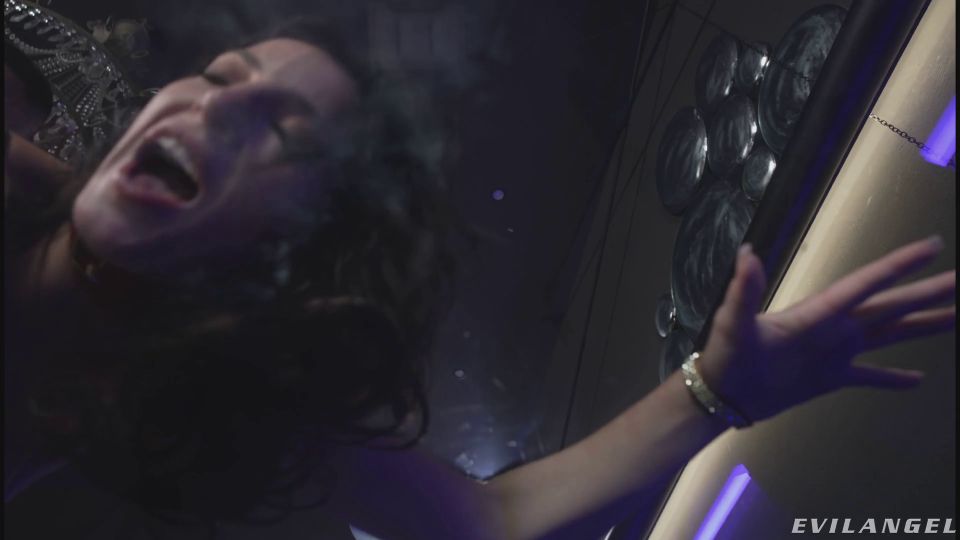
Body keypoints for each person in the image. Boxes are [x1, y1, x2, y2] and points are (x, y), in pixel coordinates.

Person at [4, 16, 956, 540]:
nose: (221, 107)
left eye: (285, 134)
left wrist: (717, 392)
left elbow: (483, 521)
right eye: (218, 79)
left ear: (286, 252)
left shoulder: (208, 385)